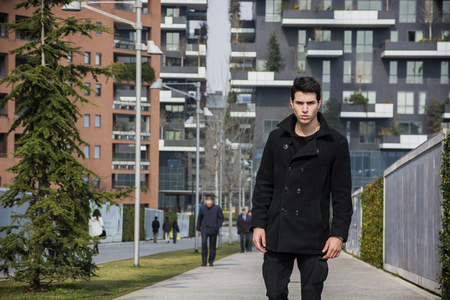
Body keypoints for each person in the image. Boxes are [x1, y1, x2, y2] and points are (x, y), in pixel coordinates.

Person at [251, 76, 353, 300]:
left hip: (315, 234)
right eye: (299, 103)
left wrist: (338, 234)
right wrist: (258, 224)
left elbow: (342, 196)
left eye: (310, 103)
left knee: (311, 296)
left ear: (319, 103)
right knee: (275, 294)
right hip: (278, 231)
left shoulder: (335, 144)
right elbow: (264, 185)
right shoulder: (276, 138)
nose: (304, 109)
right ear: (291, 103)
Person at [196, 195, 224, 267]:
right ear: (205, 202)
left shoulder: (217, 208)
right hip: (205, 229)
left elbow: (221, 218)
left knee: (212, 246)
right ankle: (204, 261)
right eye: (207, 204)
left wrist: (218, 226)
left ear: (212, 202)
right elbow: (199, 218)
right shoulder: (202, 208)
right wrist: (198, 228)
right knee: (204, 244)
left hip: (214, 229)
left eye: (209, 204)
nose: (208, 205)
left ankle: (211, 261)